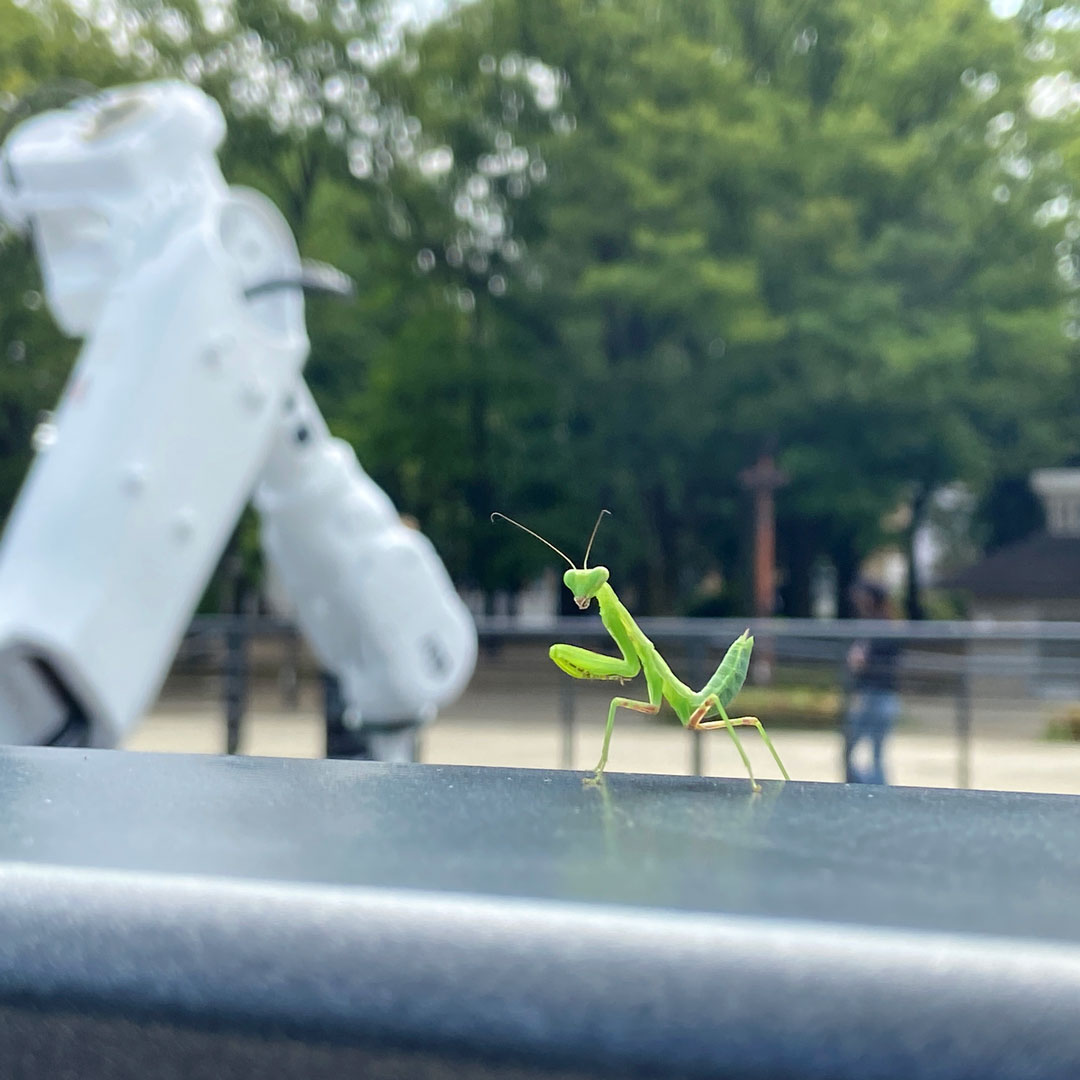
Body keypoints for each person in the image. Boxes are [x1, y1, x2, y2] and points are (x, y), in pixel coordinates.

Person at [843, 580, 902, 785]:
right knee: (872, 752)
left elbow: (862, 661)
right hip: (881, 695)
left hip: (875, 695)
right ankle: (871, 789)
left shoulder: (879, 629)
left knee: (863, 750)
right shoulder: (885, 625)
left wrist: (859, 661)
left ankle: (868, 790)